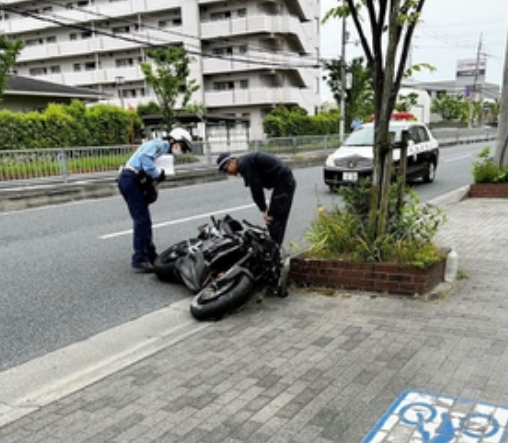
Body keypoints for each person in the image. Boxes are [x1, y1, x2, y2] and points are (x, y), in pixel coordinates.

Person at [117, 128, 192, 273]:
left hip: (132, 180)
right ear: (173, 140)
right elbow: (145, 159)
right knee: (141, 219)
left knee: (145, 219)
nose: (182, 149)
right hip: (130, 179)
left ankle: (150, 254)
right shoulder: (161, 145)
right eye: (182, 145)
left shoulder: (162, 150)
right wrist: (157, 174)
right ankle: (139, 258)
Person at [217, 151, 296, 247]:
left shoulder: (244, 165)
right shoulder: (245, 162)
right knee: (275, 219)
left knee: (274, 219)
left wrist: (263, 209)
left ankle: (275, 251)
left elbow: (256, 188)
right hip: (283, 181)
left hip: (284, 182)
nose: (228, 173)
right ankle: (275, 247)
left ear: (232, 162)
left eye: (226, 170)